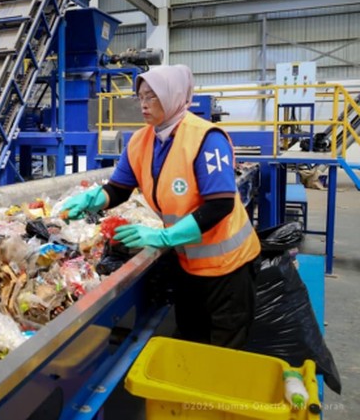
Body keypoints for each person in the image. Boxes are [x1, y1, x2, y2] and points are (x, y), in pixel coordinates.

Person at [62, 64, 260, 349]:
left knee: (223, 354)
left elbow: (220, 205)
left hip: (228, 271)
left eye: (152, 97)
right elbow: (119, 189)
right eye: (140, 96)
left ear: (173, 96)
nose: (143, 104)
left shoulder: (205, 139)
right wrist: (94, 199)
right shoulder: (141, 141)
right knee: (191, 342)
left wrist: (162, 237)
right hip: (188, 263)